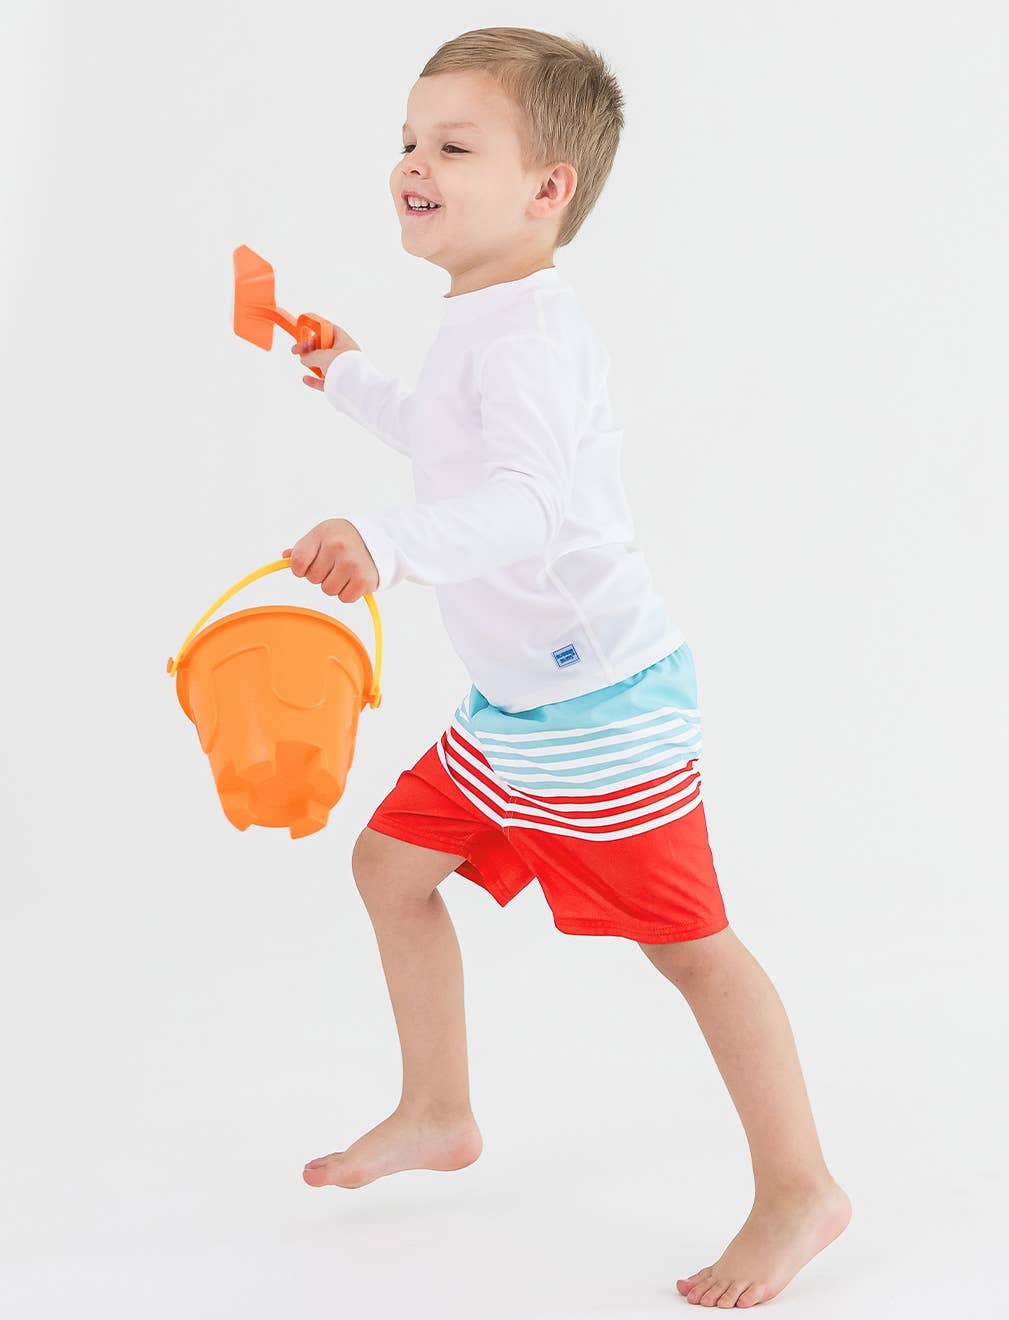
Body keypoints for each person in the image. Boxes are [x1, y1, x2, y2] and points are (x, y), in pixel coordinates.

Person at [283, 27, 851, 1309]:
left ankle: (800, 1187)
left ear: (549, 189)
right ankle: (439, 1111)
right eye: (408, 140)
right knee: (390, 867)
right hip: (518, 705)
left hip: (600, 710)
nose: (413, 164)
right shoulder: (481, 318)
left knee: (692, 949)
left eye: (453, 146)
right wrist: (345, 375)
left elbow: (527, 505)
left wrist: (384, 542)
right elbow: (448, 441)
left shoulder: (530, 334)